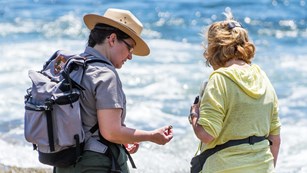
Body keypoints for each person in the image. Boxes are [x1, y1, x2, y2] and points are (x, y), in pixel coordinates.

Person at [55, 8, 173, 173]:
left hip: (64, 162)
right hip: (95, 164)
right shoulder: (105, 75)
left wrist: (123, 138)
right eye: (130, 47)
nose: (131, 56)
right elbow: (111, 132)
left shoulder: (73, 66)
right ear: (112, 39)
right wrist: (152, 136)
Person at [189, 12, 281, 173]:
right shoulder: (263, 78)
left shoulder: (219, 79)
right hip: (263, 166)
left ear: (214, 49)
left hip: (223, 167)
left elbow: (207, 135)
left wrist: (194, 115)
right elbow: (275, 138)